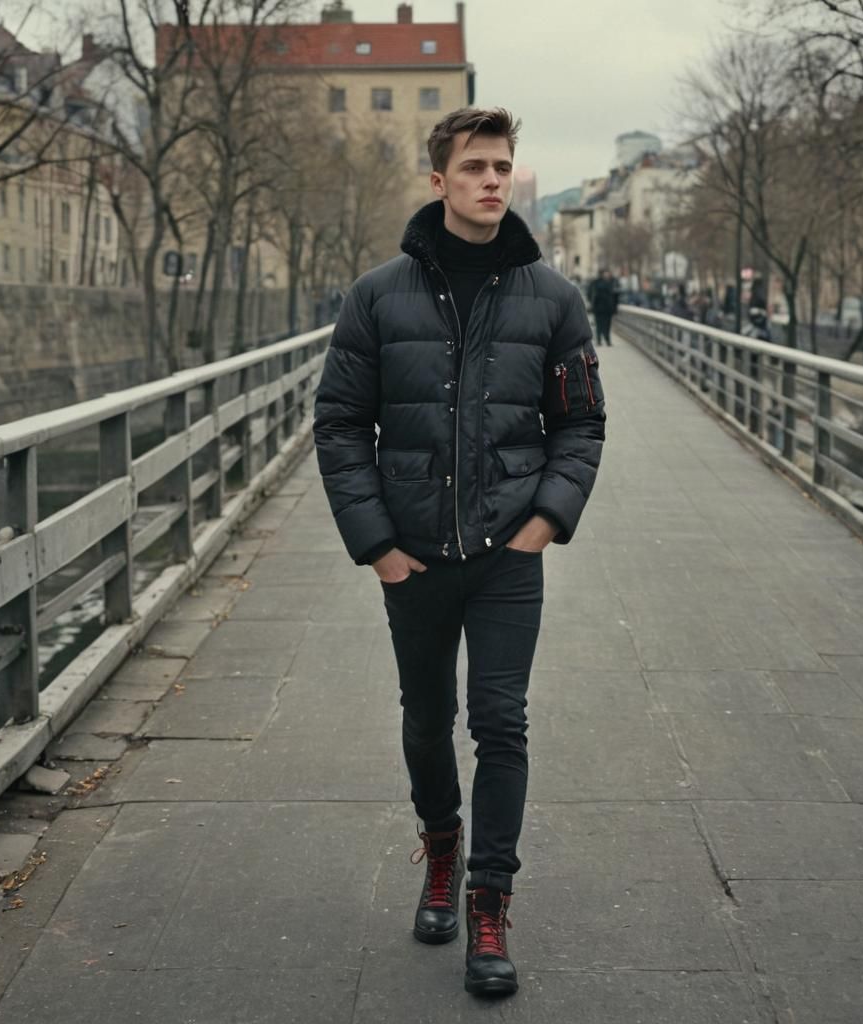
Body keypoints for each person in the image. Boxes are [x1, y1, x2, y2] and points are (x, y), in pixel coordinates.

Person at [313, 107, 606, 998]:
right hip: (416, 559)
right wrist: (379, 548)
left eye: (504, 166)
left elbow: (582, 421)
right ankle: (440, 849)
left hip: (509, 556)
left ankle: (488, 902)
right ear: (438, 180)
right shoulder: (376, 296)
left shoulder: (554, 298)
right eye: (475, 165)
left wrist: (542, 525)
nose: (492, 179)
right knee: (425, 718)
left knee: (501, 723)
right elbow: (338, 424)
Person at [587, 267, 619, 346]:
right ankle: (603, 340)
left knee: (604, 324)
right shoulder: (608, 283)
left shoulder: (610, 282)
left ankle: (603, 340)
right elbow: (615, 296)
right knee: (602, 324)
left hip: (604, 308)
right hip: (602, 308)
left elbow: (616, 296)